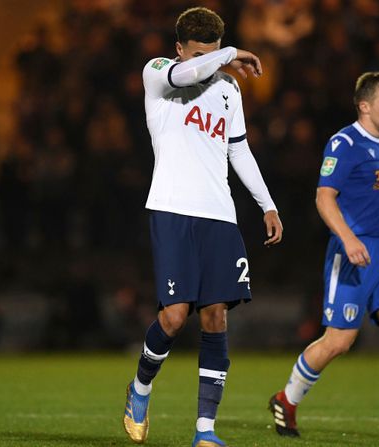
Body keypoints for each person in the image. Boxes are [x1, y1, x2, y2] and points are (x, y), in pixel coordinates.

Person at [123, 7, 283, 447]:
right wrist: (228, 53)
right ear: (180, 49)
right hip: (173, 210)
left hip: (219, 215)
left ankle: (205, 431)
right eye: (199, 55)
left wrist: (267, 204)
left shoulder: (230, 88)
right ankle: (140, 387)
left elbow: (239, 150)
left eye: (214, 55)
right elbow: (185, 75)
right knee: (174, 317)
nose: (209, 64)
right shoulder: (158, 73)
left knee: (216, 318)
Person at [269, 69, 379, 441]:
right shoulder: (345, 144)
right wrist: (347, 239)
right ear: (364, 106)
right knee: (339, 342)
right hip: (354, 250)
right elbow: (323, 197)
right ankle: (287, 399)